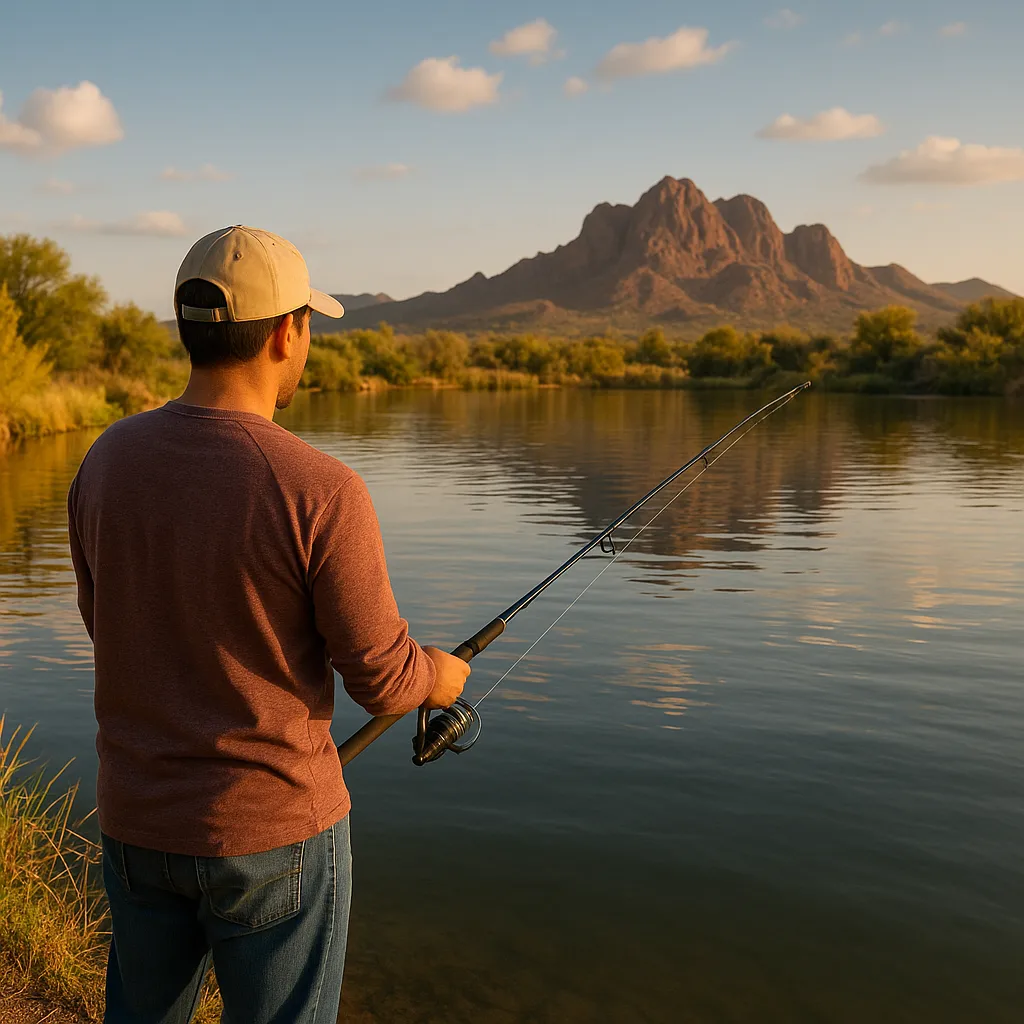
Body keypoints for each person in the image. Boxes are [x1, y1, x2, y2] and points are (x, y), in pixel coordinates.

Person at [66, 225, 470, 1024]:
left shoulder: (105, 460)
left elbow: (102, 619)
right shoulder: (322, 490)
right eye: (310, 327)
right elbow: (382, 677)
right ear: (289, 333)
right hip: (274, 839)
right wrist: (441, 677)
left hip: (136, 823)